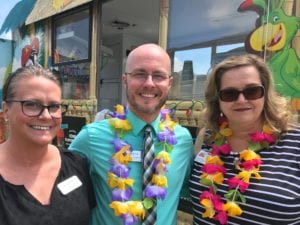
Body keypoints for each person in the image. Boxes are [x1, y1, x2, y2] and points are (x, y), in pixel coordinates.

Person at [69, 43, 194, 225]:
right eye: (139, 74)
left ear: (170, 83)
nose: (149, 83)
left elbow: (187, 190)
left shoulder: (182, 140)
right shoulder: (91, 137)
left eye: (158, 75)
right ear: (125, 79)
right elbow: (64, 194)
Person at [189, 54, 300, 225]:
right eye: (229, 93)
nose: (241, 100)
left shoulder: (295, 142)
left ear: (266, 93)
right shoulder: (207, 138)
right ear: (217, 100)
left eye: (252, 91)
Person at [0, 66, 95, 225]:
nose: (45, 116)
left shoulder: (77, 164)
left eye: (54, 106)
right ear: (6, 110)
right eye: (31, 104)